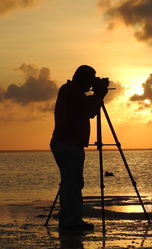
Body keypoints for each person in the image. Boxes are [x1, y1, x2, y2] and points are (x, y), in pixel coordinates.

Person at [50, 65, 108, 231]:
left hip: (68, 143)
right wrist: (99, 94)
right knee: (72, 184)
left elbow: (89, 107)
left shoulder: (71, 91)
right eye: (90, 80)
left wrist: (97, 95)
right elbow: (91, 111)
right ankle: (71, 223)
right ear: (83, 78)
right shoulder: (70, 91)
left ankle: (69, 220)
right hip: (67, 144)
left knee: (71, 183)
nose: (91, 85)